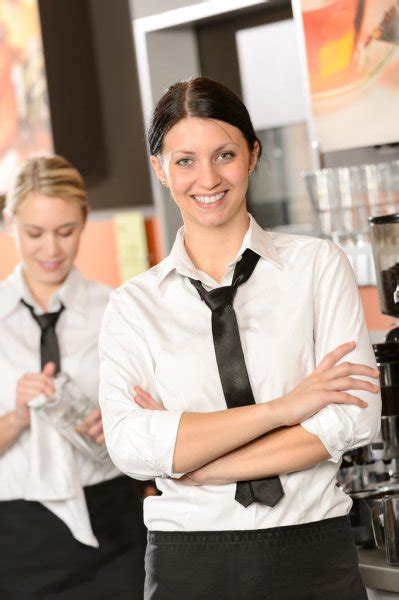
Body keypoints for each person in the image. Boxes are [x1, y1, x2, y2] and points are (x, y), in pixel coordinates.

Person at [98, 78, 381, 600]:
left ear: (251, 155)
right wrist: (285, 409)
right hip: (190, 563)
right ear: (159, 168)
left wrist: (201, 459)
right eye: (185, 161)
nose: (207, 178)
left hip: (312, 550)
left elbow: (353, 416)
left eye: (224, 154)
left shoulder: (317, 267)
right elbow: (133, 447)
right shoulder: (133, 306)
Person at [0, 155, 146, 598]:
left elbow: (162, 424)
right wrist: (17, 417)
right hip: (17, 536)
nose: (51, 250)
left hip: (115, 520)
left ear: (84, 221)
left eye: (65, 232)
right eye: (34, 233)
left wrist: (122, 423)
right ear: (9, 223)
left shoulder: (119, 309)